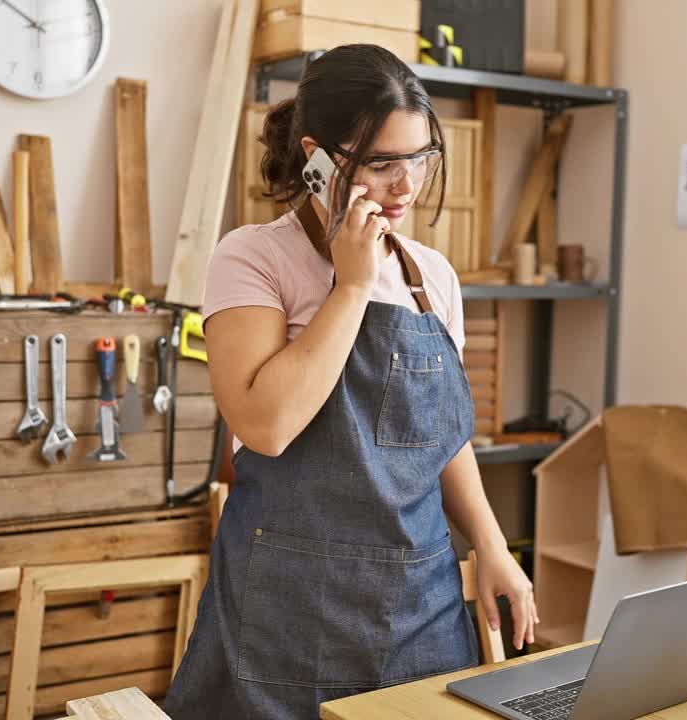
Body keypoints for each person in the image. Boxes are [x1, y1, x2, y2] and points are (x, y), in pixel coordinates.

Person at [163, 44, 538, 719]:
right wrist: (353, 285)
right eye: (383, 163)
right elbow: (266, 426)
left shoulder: (434, 278)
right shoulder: (253, 258)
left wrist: (490, 545)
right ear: (318, 158)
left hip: (419, 607)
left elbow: (440, 437)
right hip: (285, 614)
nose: (408, 186)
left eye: (421, 158)